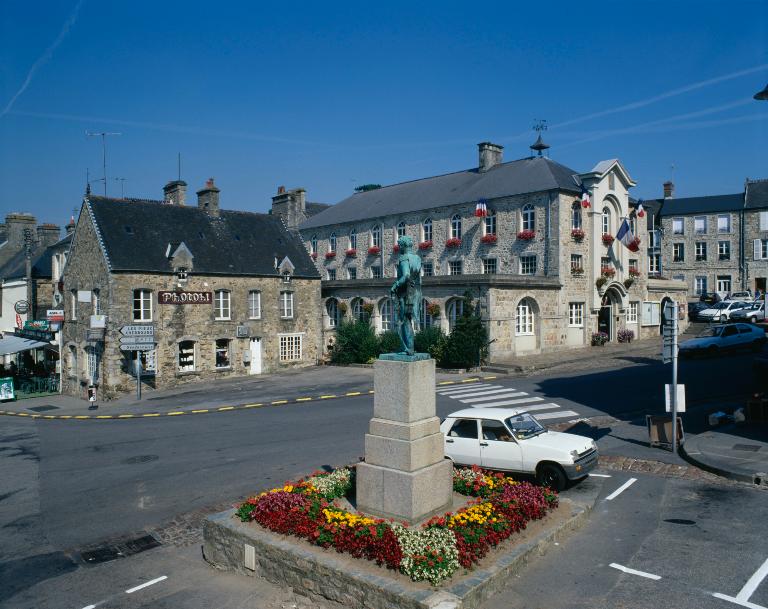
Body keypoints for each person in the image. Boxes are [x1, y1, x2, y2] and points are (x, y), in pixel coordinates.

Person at [389, 235, 422, 355]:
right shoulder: (417, 258)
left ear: (403, 246)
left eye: (399, 246)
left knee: (404, 320)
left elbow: (406, 276)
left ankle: (409, 348)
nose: (398, 248)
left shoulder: (404, 258)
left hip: (405, 293)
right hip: (416, 292)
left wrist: (395, 285)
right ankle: (408, 346)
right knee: (407, 319)